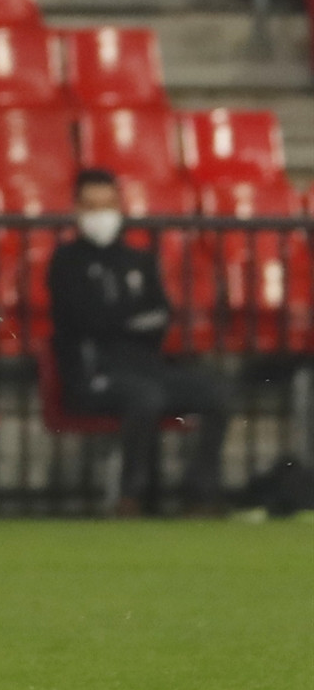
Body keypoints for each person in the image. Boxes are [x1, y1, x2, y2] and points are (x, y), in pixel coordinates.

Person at [48, 169, 231, 516]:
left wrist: (115, 319)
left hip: (145, 368)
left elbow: (159, 314)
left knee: (216, 394)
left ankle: (200, 492)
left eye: (107, 205)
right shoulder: (65, 262)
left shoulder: (139, 260)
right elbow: (82, 320)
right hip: (94, 375)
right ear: (77, 210)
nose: (101, 214)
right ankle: (131, 496)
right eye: (91, 206)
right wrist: (127, 320)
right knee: (144, 396)